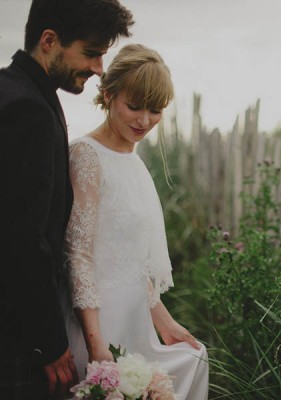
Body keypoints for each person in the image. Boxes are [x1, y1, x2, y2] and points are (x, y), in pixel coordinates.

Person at [0, 1, 133, 399]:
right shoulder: (28, 109)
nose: (98, 68)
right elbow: (22, 237)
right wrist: (48, 342)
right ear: (49, 41)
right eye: (90, 53)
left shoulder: (13, 90)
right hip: (16, 332)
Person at [65, 44, 209, 399]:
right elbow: (78, 256)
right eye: (134, 106)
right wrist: (95, 343)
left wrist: (165, 322)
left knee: (194, 358)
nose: (144, 121)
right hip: (98, 320)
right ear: (108, 94)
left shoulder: (134, 159)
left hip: (135, 317)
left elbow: (133, 259)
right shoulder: (86, 155)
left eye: (155, 110)